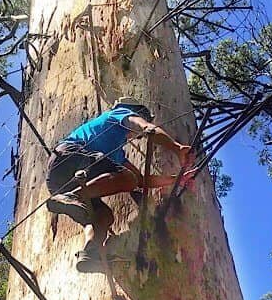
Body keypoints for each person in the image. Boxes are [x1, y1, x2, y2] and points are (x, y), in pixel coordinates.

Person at [46, 98, 196, 272]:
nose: (136, 137)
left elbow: (140, 180)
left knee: (103, 216)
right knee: (128, 179)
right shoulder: (120, 114)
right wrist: (177, 148)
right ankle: (74, 197)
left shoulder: (116, 153)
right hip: (70, 156)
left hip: (57, 180)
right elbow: (146, 128)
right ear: (135, 112)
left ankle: (90, 253)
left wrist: (177, 179)